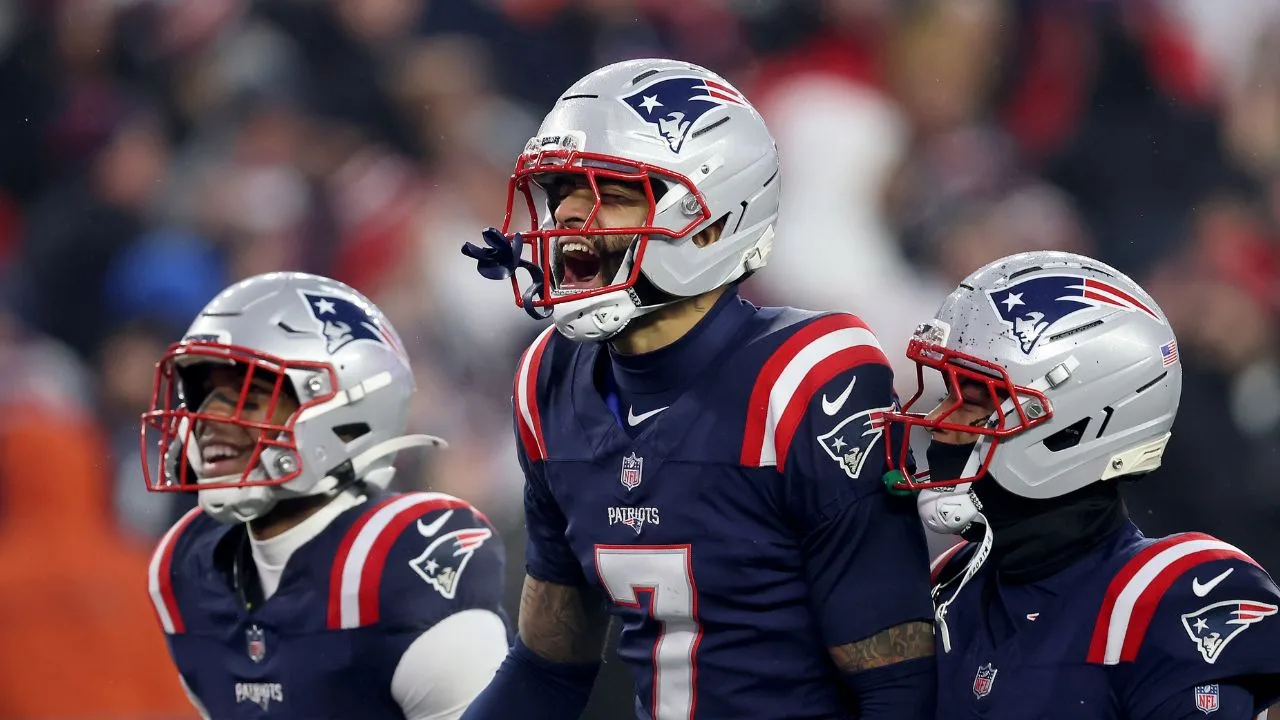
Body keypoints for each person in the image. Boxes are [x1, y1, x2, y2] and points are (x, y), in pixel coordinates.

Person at [458, 58, 936, 720]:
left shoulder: (806, 379)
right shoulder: (552, 377)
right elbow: (546, 672)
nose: (568, 213)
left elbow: (898, 689)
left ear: (710, 221)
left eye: (611, 192)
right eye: (564, 189)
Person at [883, 250, 1280, 718]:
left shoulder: (1170, 596)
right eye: (946, 393)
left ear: (1075, 427)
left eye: (973, 401)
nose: (936, 422)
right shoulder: (953, 585)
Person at [141, 272, 508, 719]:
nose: (209, 419)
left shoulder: (400, 561)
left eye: (250, 398)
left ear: (347, 412)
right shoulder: (187, 566)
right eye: (203, 397)